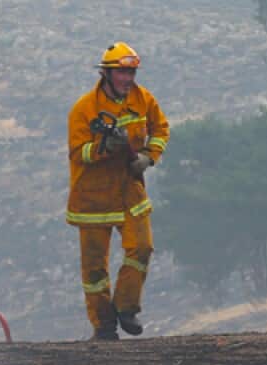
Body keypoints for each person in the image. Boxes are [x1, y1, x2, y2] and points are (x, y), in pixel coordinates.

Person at [66, 41, 170, 340]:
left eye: (131, 73)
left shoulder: (143, 99)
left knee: (142, 248)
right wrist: (103, 147)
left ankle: (126, 307)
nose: (127, 80)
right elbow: (77, 153)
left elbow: (161, 129)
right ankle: (103, 326)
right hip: (93, 197)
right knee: (94, 270)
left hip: (129, 191)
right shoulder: (84, 109)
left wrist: (149, 157)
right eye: (121, 74)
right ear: (106, 74)